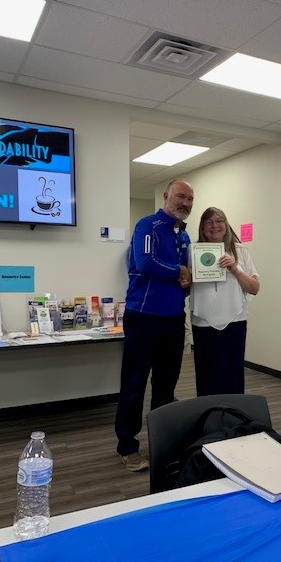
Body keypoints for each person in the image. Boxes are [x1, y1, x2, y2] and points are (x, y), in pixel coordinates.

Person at [115, 179, 194, 471]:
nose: (185, 203)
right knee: (134, 384)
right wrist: (180, 271)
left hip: (174, 319)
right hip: (143, 318)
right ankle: (127, 445)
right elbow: (145, 263)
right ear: (166, 196)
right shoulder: (146, 225)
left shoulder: (184, 237)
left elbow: (186, 277)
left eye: (190, 199)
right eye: (181, 196)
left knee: (166, 386)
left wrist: (187, 279)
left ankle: (162, 440)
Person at [189, 207, 259, 397]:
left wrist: (235, 269)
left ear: (226, 224)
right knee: (206, 376)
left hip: (235, 321)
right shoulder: (192, 250)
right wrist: (187, 279)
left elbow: (254, 288)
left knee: (233, 375)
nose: (214, 226)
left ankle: (234, 419)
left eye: (219, 221)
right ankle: (208, 419)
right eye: (209, 222)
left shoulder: (240, 251)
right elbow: (185, 288)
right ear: (202, 227)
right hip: (203, 321)